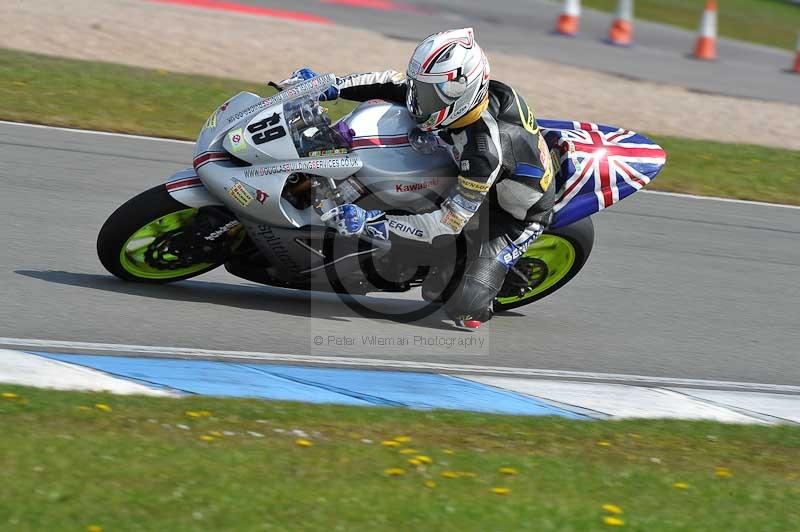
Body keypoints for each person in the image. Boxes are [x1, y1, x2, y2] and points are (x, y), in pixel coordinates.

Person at [285, 27, 555, 328]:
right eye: (420, 87)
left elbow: (445, 225)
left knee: (458, 304)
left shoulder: (483, 152)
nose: (416, 99)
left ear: (461, 92)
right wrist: (328, 86)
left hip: (510, 214)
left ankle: (487, 288)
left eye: (427, 93)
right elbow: (392, 82)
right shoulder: (456, 100)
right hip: (472, 174)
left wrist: (369, 221)